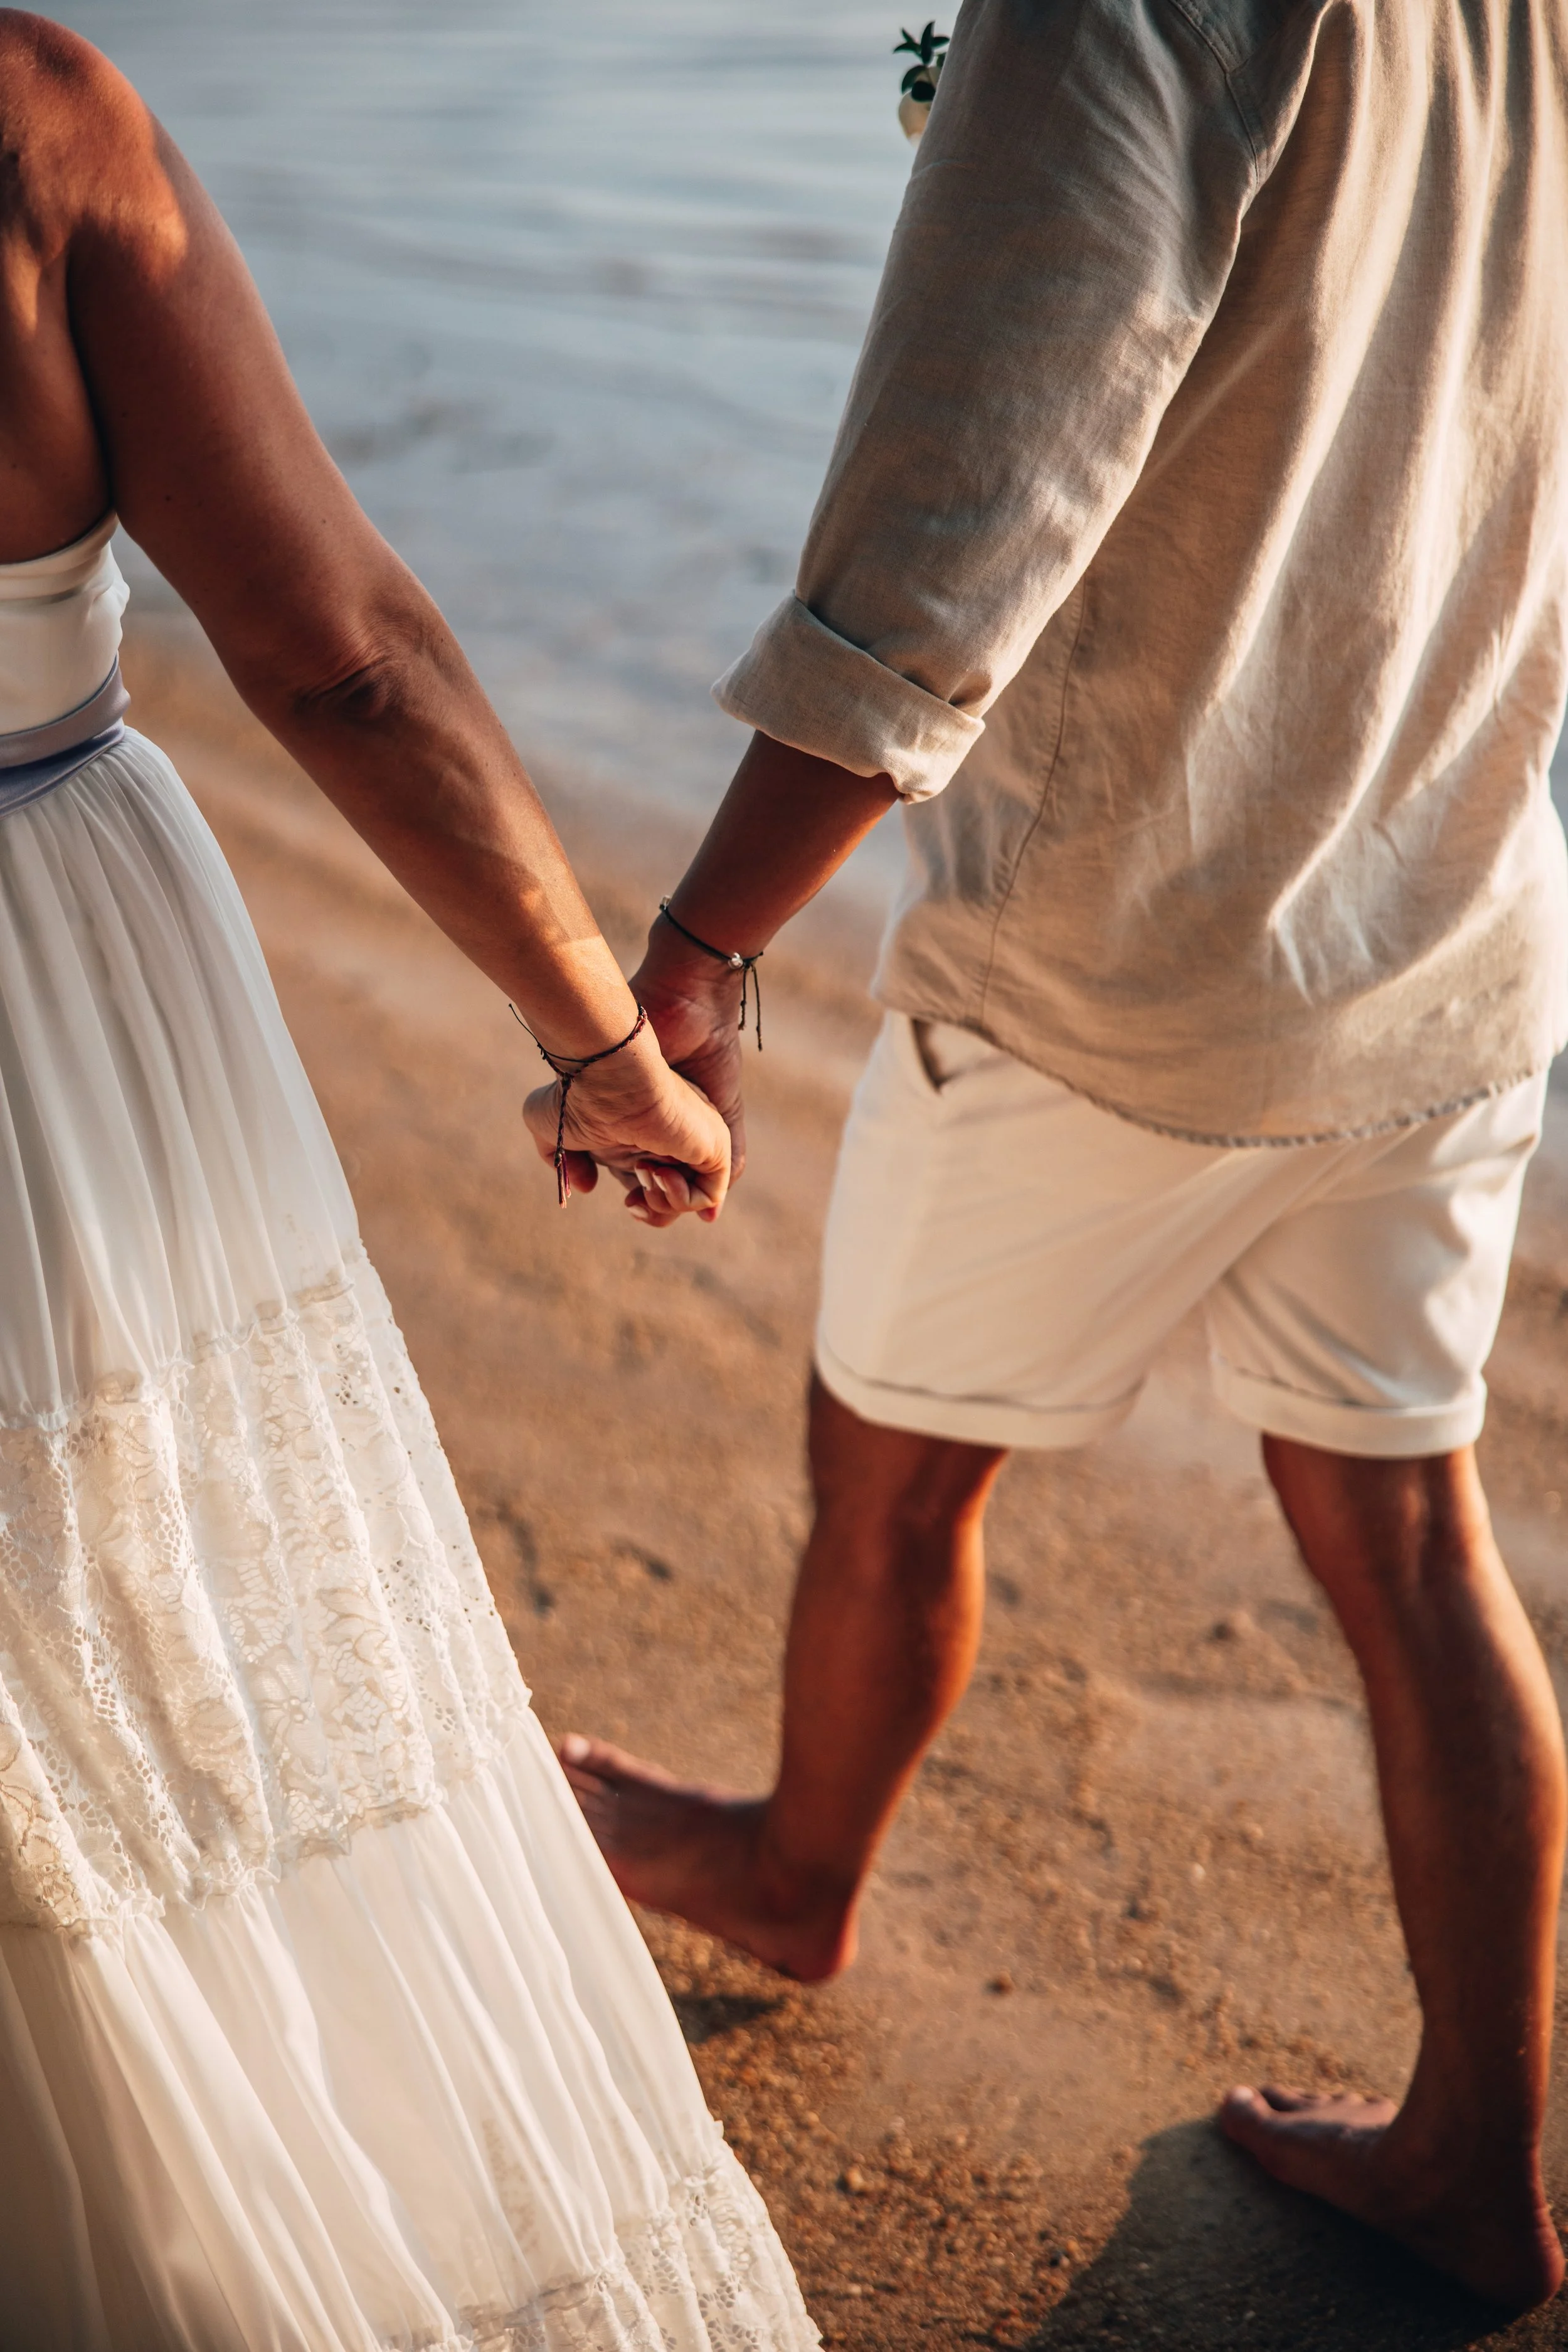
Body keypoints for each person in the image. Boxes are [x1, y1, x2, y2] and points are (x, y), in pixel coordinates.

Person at [559, 0, 1568, 2316]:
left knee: (896, 1466)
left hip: (1118, 957)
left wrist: (701, 944)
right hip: (1441, 917)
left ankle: (801, 1871)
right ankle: (1475, 2155)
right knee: (1413, 1536)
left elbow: (965, 501)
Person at [0, 16, 821, 2349]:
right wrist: (601, 1044)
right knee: (138, 1633)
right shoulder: (34, 119)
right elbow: (340, 653)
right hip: (41, 993)